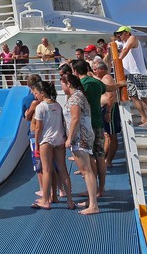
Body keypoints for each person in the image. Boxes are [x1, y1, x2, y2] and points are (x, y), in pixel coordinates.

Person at [32, 80, 74, 210]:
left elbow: (38, 127)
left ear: (42, 93)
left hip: (47, 141)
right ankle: (70, 201)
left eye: (37, 93)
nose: (36, 96)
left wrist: (37, 144)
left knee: (47, 170)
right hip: (59, 139)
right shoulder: (57, 105)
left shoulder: (41, 107)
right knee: (63, 170)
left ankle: (45, 200)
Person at [61, 73, 98, 215]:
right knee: (87, 170)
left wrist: (69, 138)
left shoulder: (76, 97)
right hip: (83, 136)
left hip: (80, 138)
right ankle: (91, 200)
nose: (62, 86)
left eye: (62, 83)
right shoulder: (78, 95)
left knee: (86, 170)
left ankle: (94, 205)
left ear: (68, 84)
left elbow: (75, 118)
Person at [73, 59, 107, 197]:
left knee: (89, 158)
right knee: (100, 156)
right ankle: (101, 189)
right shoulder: (96, 82)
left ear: (75, 71)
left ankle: (92, 190)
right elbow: (107, 88)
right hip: (98, 122)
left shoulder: (81, 86)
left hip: (87, 125)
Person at [117, 26, 147, 127]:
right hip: (130, 74)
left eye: (121, 33)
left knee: (143, 96)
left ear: (127, 32)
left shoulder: (132, 38)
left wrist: (117, 61)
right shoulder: (124, 42)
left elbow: (126, 50)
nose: (119, 35)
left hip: (138, 73)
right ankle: (143, 118)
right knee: (133, 97)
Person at [91, 58, 121, 166]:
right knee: (107, 135)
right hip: (105, 109)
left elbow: (111, 96)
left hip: (110, 109)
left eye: (95, 69)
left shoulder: (107, 78)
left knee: (112, 136)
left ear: (102, 69)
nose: (94, 71)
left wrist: (108, 112)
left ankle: (108, 161)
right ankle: (105, 159)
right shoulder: (102, 78)